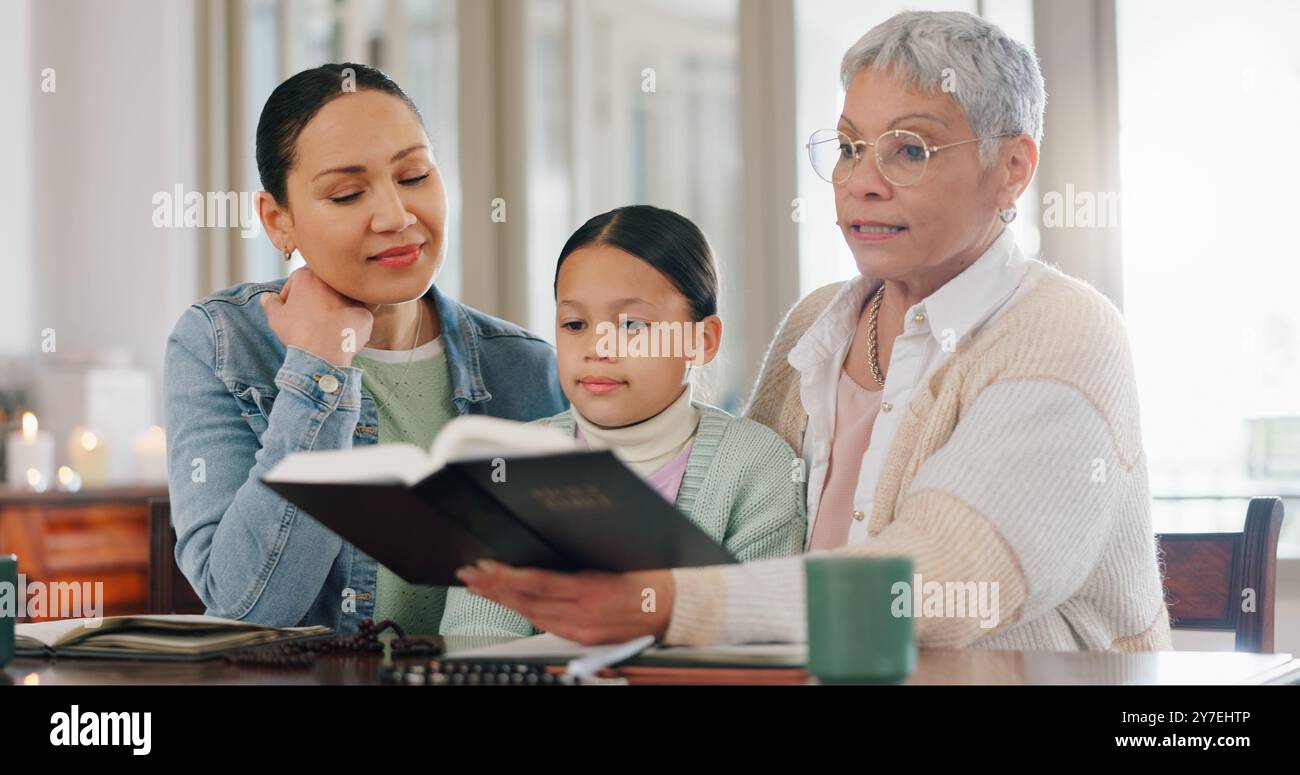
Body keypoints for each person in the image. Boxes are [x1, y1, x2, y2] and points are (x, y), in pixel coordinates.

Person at [458, 11, 1173, 652]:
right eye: (849, 146)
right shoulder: (819, 321)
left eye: (910, 150)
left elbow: (949, 579)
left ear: (1012, 168)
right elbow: (742, 523)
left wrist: (665, 602)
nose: (861, 181)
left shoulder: (1065, 331)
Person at [163, 63, 566, 633]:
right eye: (348, 193)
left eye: (414, 176)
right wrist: (320, 368)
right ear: (279, 221)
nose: (397, 216)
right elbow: (246, 612)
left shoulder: (525, 366)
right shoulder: (224, 343)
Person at [442, 205, 806, 636]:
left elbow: (757, 637)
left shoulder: (757, 465)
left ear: (701, 341)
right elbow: (478, 638)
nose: (598, 347)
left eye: (632, 325)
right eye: (575, 323)